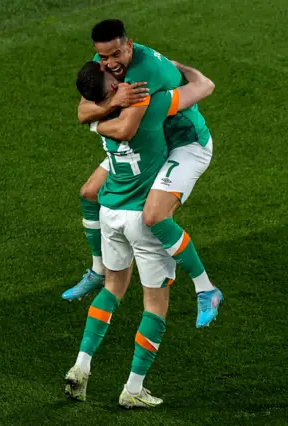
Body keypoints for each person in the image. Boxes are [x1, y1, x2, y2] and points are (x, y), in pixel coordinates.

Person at [65, 61, 215, 408]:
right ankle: (133, 388)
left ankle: (81, 365)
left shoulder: (99, 121)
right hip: (140, 220)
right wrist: (171, 68)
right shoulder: (148, 108)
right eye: (115, 81)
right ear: (114, 90)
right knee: (154, 305)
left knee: (113, 288)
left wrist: (110, 102)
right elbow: (203, 87)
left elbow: (91, 112)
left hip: (110, 212)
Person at [64, 19, 223, 329]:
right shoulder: (104, 65)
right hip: (150, 145)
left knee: (154, 216)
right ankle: (98, 270)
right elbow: (82, 110)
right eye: (103, 57)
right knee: (90, 193)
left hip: (185, 145)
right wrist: (112, 102)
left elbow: (124, 129)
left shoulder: (144, 75)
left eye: (116, 55)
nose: (110, 64)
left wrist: (100, 120)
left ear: (130, 45)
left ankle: (207, 288)